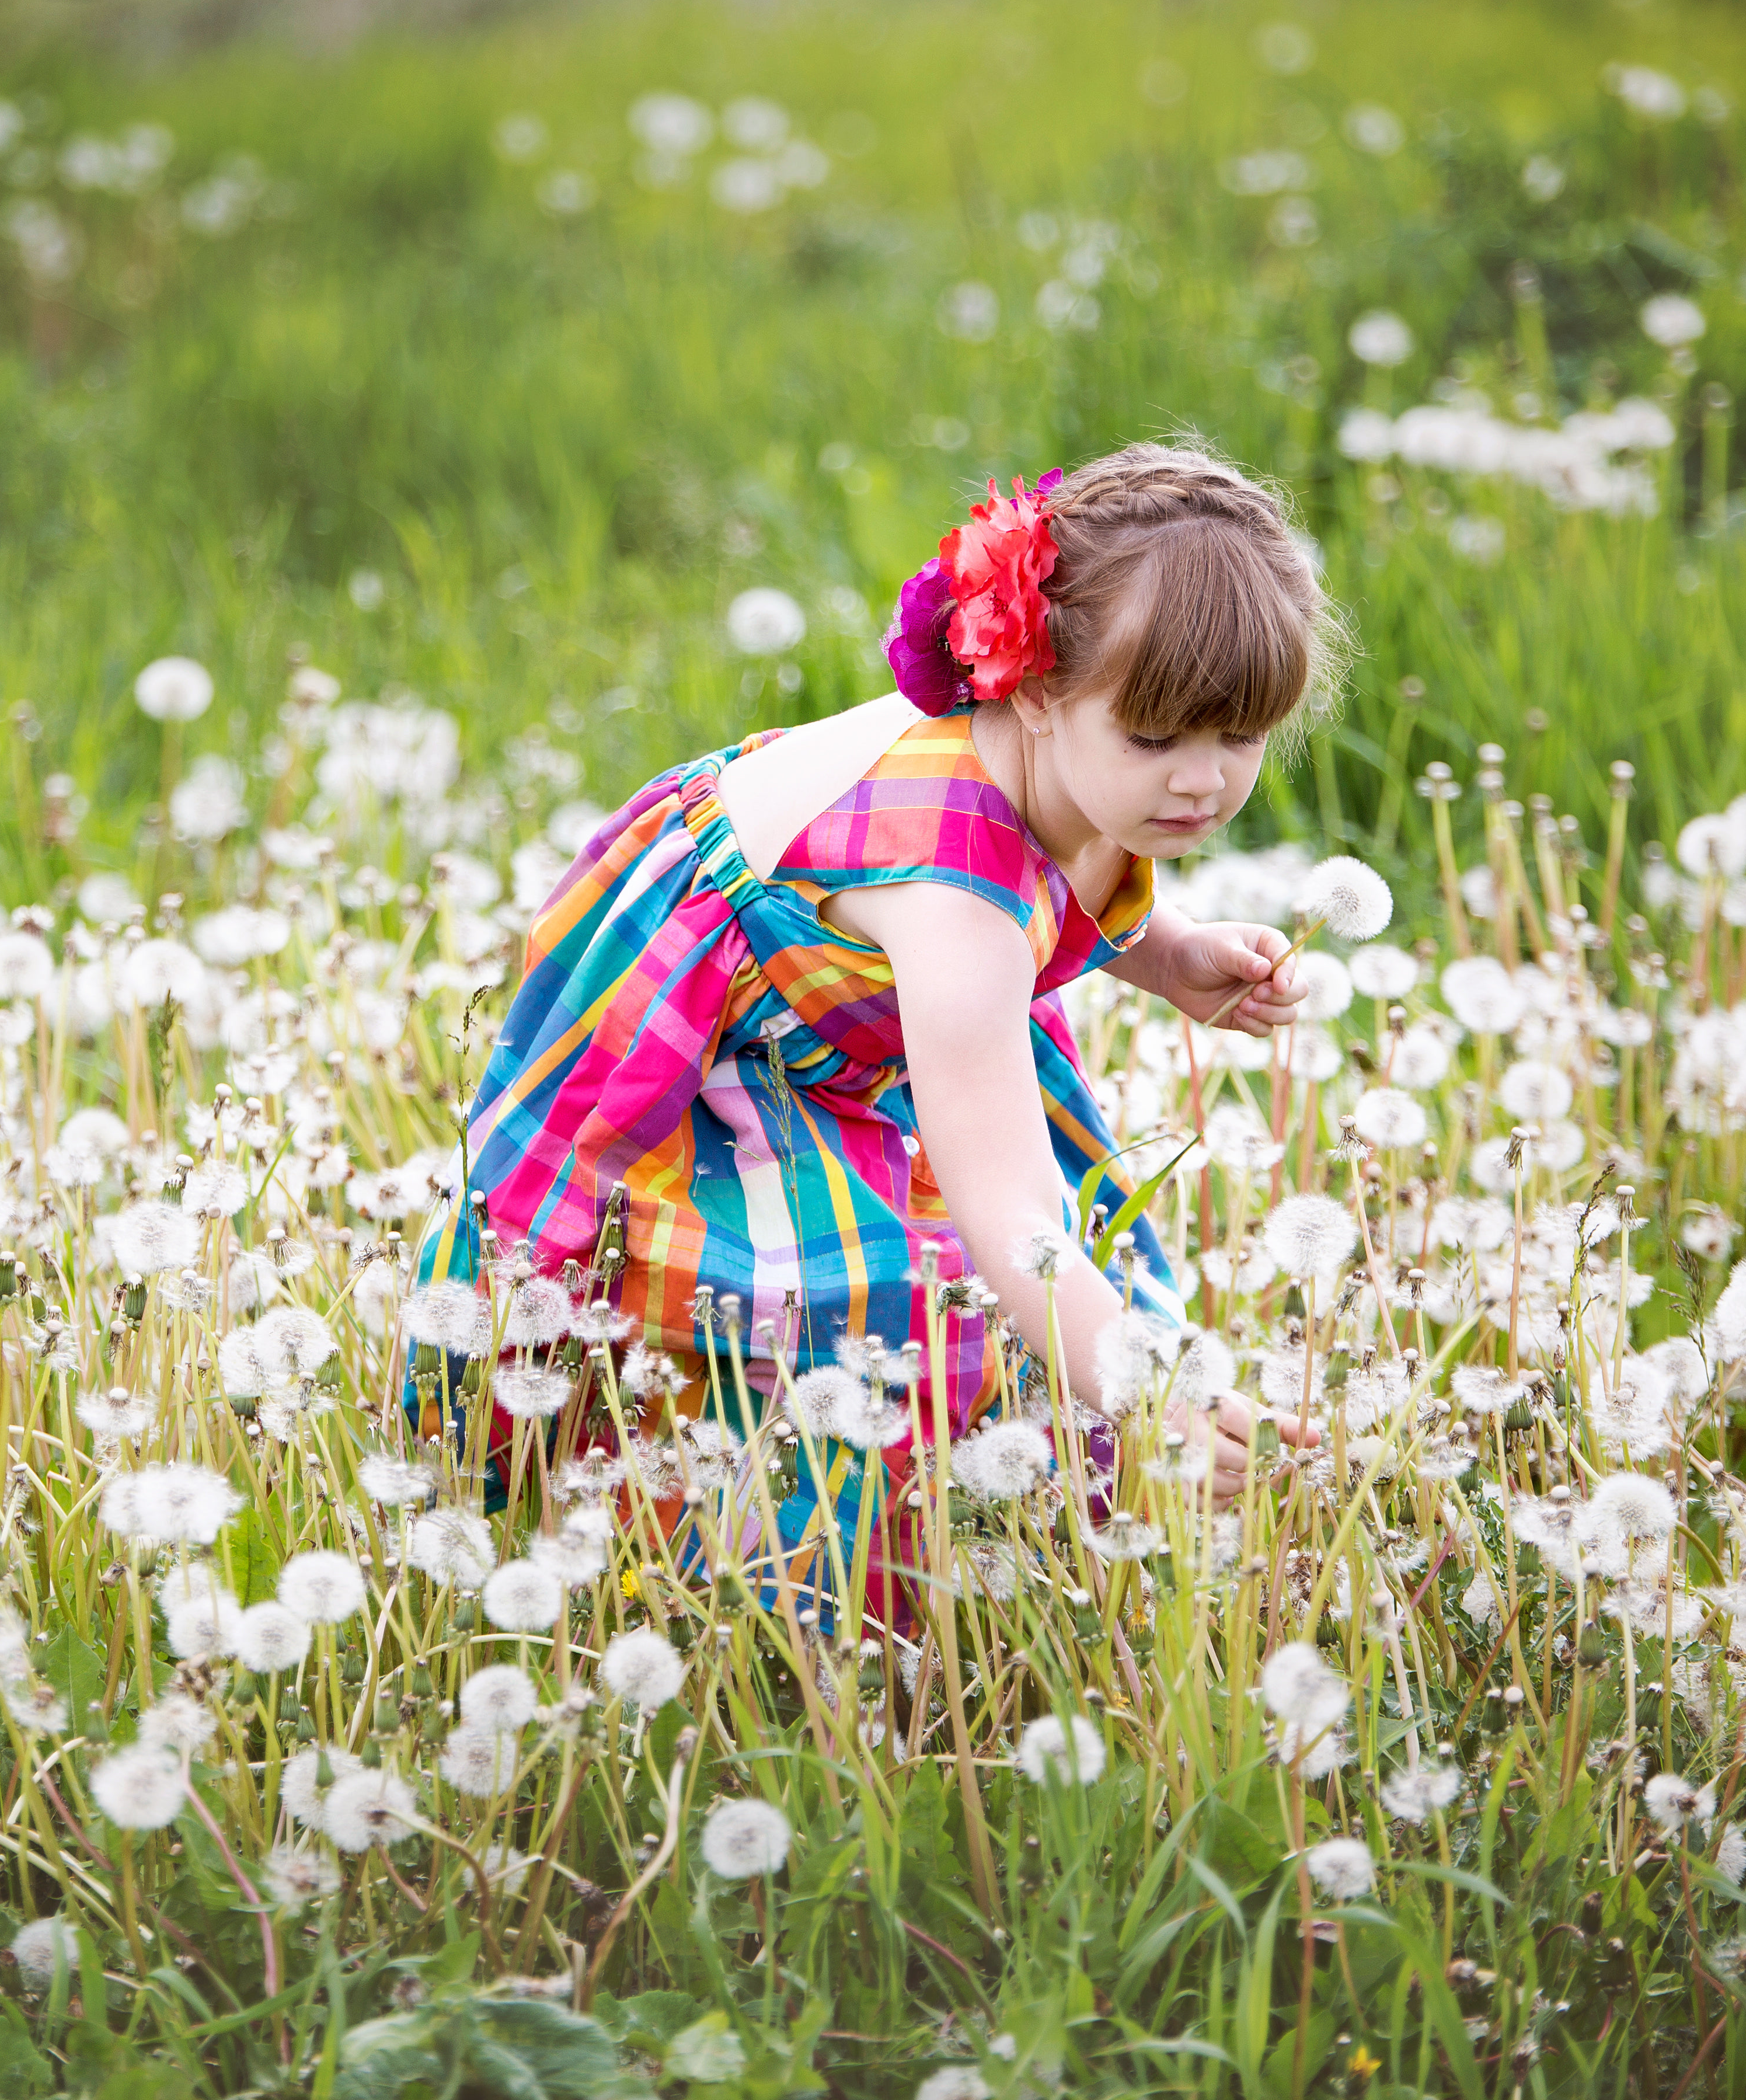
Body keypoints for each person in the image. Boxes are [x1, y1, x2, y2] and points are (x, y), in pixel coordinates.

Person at [409, 438, 1343, 1634]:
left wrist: (1164, 953)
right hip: (710, 1037)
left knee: (1009, 1279)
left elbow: (1079, 855)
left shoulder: (1085, 779)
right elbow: (1013, 1207)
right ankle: (759, 1579)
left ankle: (992, 1521)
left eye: (1240, 739)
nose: (1202, 784)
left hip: (864, 1007)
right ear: (1038, 692)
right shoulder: (951, 911)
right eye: (1158, 740)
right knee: (834, 1300)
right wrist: (1144, 1392)